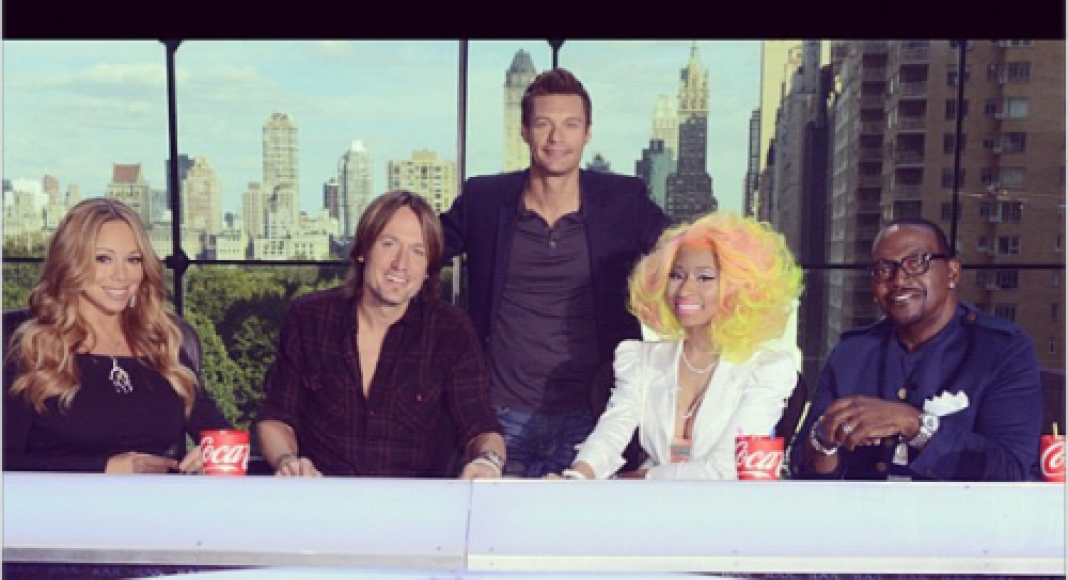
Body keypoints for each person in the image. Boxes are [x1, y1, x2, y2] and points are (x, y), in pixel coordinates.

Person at [440, 67, 672, 478]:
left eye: (570, 125)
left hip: (593, 416)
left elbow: (683, 250)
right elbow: (422, 247)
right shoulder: (485, 199)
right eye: (543, 124)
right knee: (496, 519)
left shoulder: (623, 200)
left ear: (587, 133)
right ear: (524, 131)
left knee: (582, 521)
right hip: (500, 416)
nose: (556, 137)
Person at [255, 190, 506, 479]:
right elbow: (275, 419)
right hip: (322, 496)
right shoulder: (310, 318)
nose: (401, 263)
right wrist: (288, 461)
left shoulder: (451, 330)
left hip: (417, 503)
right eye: (389, 244)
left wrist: (488, 462)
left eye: (418, 251)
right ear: (363, 250)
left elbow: (482, 429)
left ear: (428, 268)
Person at [548, 212, 803, 480]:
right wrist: (579, 477)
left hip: (722, 504)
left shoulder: (767, 370)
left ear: (739, 288)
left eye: (704, 277)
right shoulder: (641, 359)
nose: (684, 290)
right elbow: (612, 432)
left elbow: (725, 469)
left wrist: (636, 480)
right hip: (646, 502)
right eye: (676, 275)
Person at [791, 217, 1043, 481]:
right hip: (862, 507)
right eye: (883, 269)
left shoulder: (1002, 349)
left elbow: (1011, 469)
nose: (899, 280)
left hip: (960, 508)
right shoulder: (852, 352)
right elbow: (802, 472)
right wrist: (824, 443)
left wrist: (914, 425)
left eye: (916, 263)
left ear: (952, 272)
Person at [3, 198, 230, 473]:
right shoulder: (26, 346)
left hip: (156, 499)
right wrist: (105, 468)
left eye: (133, 260)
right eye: (103, 259)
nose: (121, 275)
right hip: (57, 500)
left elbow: (221, 435)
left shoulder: (161, 341)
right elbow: (7, 460)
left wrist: (214, 454)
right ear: (70, 262)